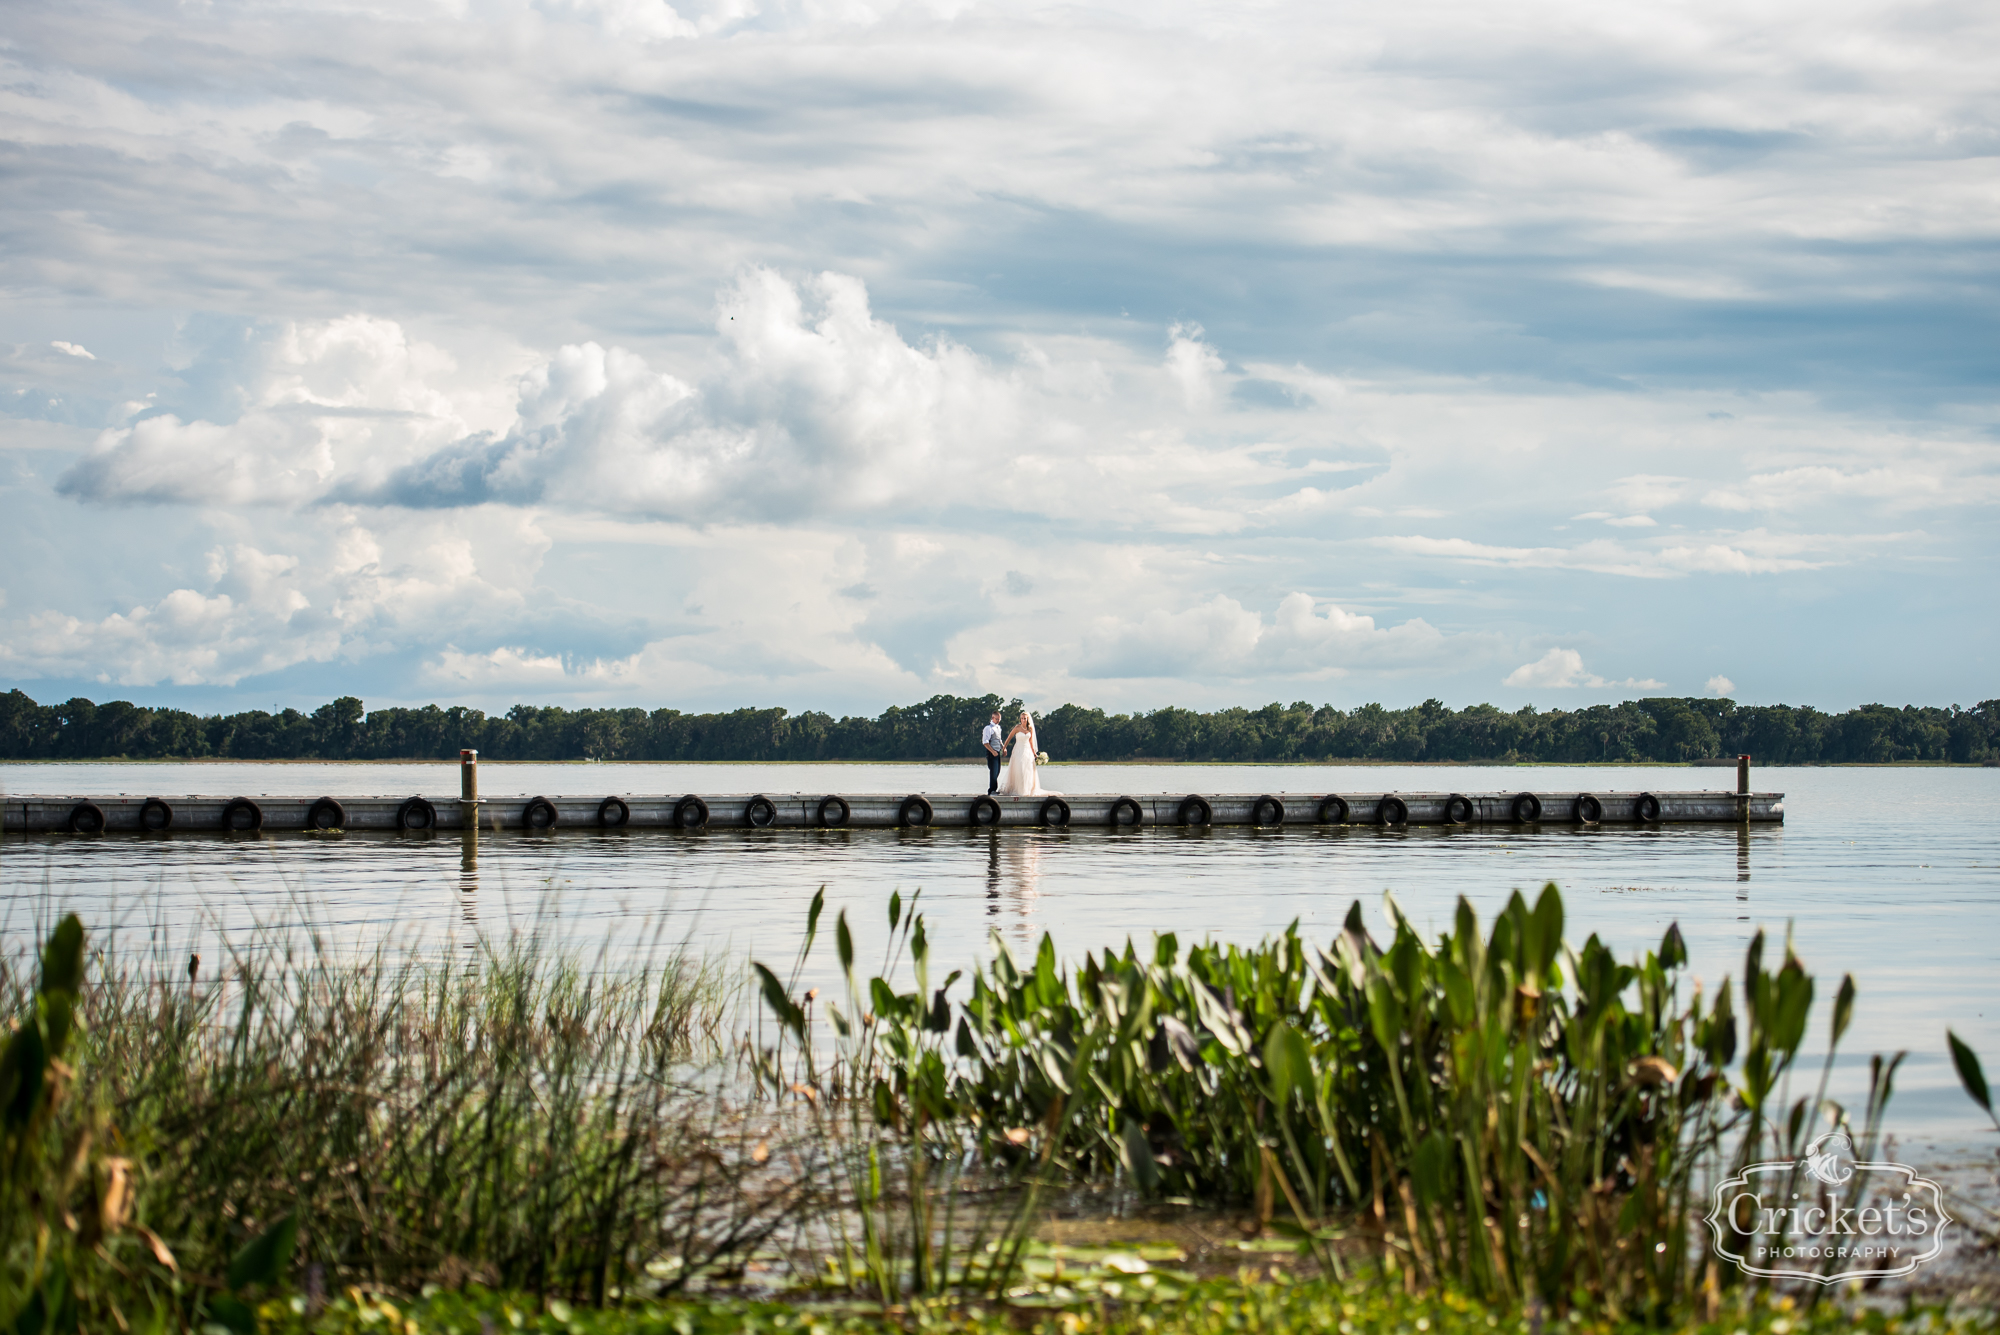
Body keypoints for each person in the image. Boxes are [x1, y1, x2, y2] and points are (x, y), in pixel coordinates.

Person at [998, 709, 1059, 797]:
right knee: (1019, 768)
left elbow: (1031, 742)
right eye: (1022, 718)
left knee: (1027, 770)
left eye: (1025, 718)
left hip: (1027, 751)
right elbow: (1009, 738)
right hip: (1018, 750)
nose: (1023, 720)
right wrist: (1004, 748)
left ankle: (1026, 789)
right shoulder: (1017, 727)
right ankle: (1018, 789)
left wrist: (1034, 753)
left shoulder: (1030, 729)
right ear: (1020, 719)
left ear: (1027, 719)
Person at [980, 710, 1005, 794]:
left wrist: (1003, 748)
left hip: (998, 752)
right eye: (997, 719)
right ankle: (991, 790)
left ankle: (994, 789)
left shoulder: (998, 727)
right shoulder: (988, 728)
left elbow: (999, 739)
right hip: (991, 753)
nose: (998, 721)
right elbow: (985, 742)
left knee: (997, 772)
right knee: (993, 772)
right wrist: (992, 751)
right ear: (992, 718)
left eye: (999, 719)